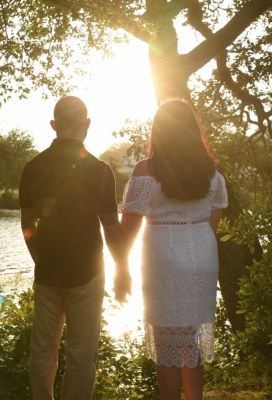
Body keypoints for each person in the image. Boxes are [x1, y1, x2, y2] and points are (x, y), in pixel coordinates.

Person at [19, 96, 132, 400]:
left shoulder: (33, 167)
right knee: (82, 355)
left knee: (43, 351)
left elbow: (27, 223)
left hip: (48, 272)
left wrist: (39, 258)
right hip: (88, 272)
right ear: (87, 125)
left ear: (54, 125)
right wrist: (122, 269)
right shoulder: (99, 170)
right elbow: (110, 226)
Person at [119, 99, 228, 400]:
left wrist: (120, 267)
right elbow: (212, 223)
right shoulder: (212, 175)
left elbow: (128, 227)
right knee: (190, 342)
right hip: (202, 258)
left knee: (165, 342)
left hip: (163, 259)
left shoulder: (145, 171)